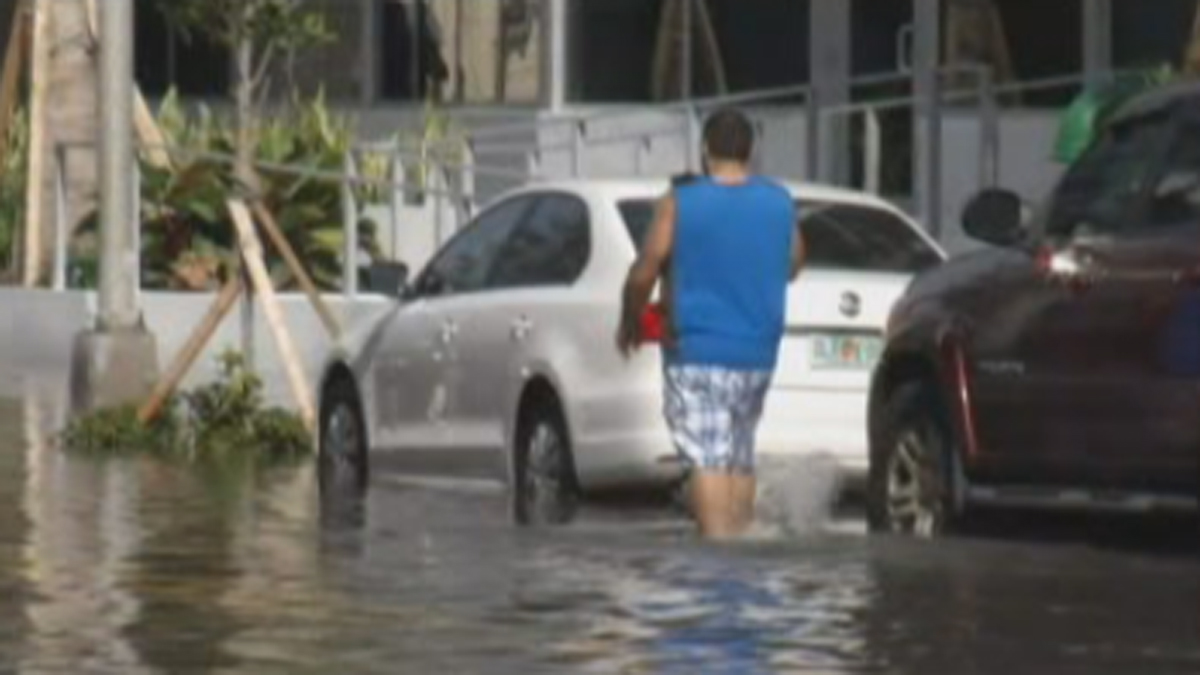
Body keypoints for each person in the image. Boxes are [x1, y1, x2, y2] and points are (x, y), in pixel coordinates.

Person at [616, 108, 805, 539]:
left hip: (698, 352)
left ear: (705, 150)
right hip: (758, 353)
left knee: (707, 458)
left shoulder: (681, 202)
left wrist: (630, 319)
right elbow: (794, 262)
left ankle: (719, 559)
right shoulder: (778, 200)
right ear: (750, 152)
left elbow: (646, 268)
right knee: (739, 454)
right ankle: (742, 543)